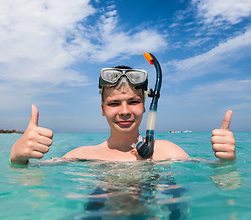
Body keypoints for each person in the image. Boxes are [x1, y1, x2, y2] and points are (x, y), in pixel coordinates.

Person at [10, 66, 236, 165]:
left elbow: (221, 180)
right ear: (102, 110)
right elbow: (31, 176)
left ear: (145, 106)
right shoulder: (81, 155)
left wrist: (226, 162)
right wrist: (17, 157)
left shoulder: (169, 152)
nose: (125, 111)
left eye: (134, 102)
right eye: (114, 103)